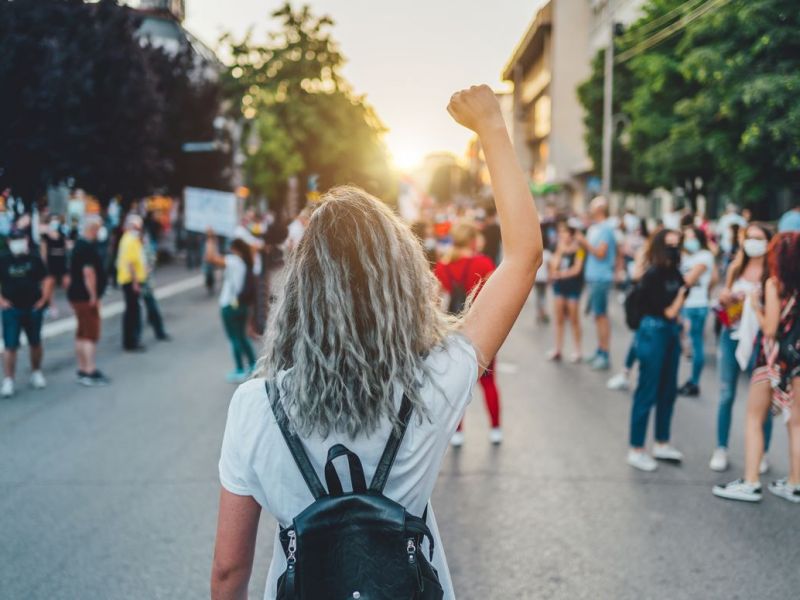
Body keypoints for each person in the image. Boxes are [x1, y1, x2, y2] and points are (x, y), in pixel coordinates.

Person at [211, 85, 543, 600]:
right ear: (403, 282)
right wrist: (492, 129)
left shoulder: (255, 407)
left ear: (301, 290)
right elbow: (523, 256)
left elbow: (229, 572)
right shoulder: (433, 382)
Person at [713, 232, 800, 503]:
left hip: (772, 360)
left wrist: (756, 307)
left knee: (753, 418)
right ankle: (795, 483)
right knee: (796, 424)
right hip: (797, 357)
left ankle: (751, 482)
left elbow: (770, 329)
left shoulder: (775, 284)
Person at [709, 223, 773, 472]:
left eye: (759, 238)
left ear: (768, 243)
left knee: (761, 400)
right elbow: (722, 295)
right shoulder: (736, 268)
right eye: (750, 238)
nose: (753, 243)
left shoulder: (772, 273)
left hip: (761, 340)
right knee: (726, 394)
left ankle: (763, 451)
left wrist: (755, 303)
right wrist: (726, 298)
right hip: (731, 334)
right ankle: (721, 447)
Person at [434, 221, 501, 445]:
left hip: (453, 332)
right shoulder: (483, 263)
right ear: (473, 240)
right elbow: (496, 299)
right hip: (484, 329)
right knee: (489, 382)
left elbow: (436, 304)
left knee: (456, 385)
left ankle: (458, 432)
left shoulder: (442, 267)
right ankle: (495, 429)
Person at [627, 229, 688, 471]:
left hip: (670, 333)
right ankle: (636, 448)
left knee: (668, 390)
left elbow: (679, 301)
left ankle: (662, 442)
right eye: (669, 245)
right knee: (647, 390)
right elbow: (670, 310)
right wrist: (681, 298)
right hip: (653, 332)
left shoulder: (673, 271)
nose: (674, 249)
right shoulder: (652, 275)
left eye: (677, 244)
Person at [0, 230, 54, 397]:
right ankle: (8, 379)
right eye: (14, 239)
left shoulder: (34, 258)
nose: (18, 243)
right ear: (9, 241)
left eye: (20, 239)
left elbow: (47, 279)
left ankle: (36, 372)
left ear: (26, 240)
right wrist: (1, 301)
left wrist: (43, 300)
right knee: (10, 346)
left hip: (32, 307)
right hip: (12, 309)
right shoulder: (4, 259)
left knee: (35, 342)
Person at [205, 234, 258, 383]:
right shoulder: (245, 263)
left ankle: (240, 369)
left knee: (234, 338)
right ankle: (253, 365)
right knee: (242, 337)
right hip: (242, 305)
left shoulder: (234, 261)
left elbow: (210, 258)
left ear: (235, 249)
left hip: (230, 305)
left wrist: (210, 239)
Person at [67, 216, 110, 386]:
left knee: (81, 332)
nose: (99, 232)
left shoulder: (79, 245)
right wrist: (94, 296)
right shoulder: (87, 248)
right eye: (97, 228)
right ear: (92, 228)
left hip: (76, 295)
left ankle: (82, 368)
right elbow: (89, 274)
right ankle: (89, 371)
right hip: (85, 298)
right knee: (90, 334)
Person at [577, 196, 617, 370]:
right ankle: (600, 350)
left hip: (601, 278)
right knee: (597, 316)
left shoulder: (606, 229)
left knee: (601, 316)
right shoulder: (595, 228)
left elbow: (601, 253)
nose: (590, 208)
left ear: (600, 209)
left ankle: (605, 353)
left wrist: (584, 243)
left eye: (593, 205)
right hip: (593, 277)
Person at [677, 226, 716, 397]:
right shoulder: (686, 256)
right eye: (686, 236)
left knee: (695, 343)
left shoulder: (704, 256)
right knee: (688, 342)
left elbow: (689, 280)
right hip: (686, 303)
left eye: (692, 236)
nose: (689, 240)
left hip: (696, 305)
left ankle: (694, 381)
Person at [547, 219, 585, 362]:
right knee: (559, 319)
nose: (563, 236)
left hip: (573, 286)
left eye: (566, 233)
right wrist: (560, 251)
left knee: (574, 319)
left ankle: (577, 350)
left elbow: (577, 269)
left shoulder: (580, 249)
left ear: (572, 234)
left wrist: (560, 274)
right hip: (560, 287)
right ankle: (558, 349)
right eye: (561, 233)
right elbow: (554, 266)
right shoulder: (559, 247)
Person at [116, 214, 147, 352]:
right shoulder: (130, 240)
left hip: (128, 280)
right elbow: (131, 263)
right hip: (131, 281)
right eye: (136, 226)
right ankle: (132, 341)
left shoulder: (128, 239)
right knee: (133, 312)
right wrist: (135, 282)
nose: (138, 229)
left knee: (131, 311)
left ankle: (130, 340)